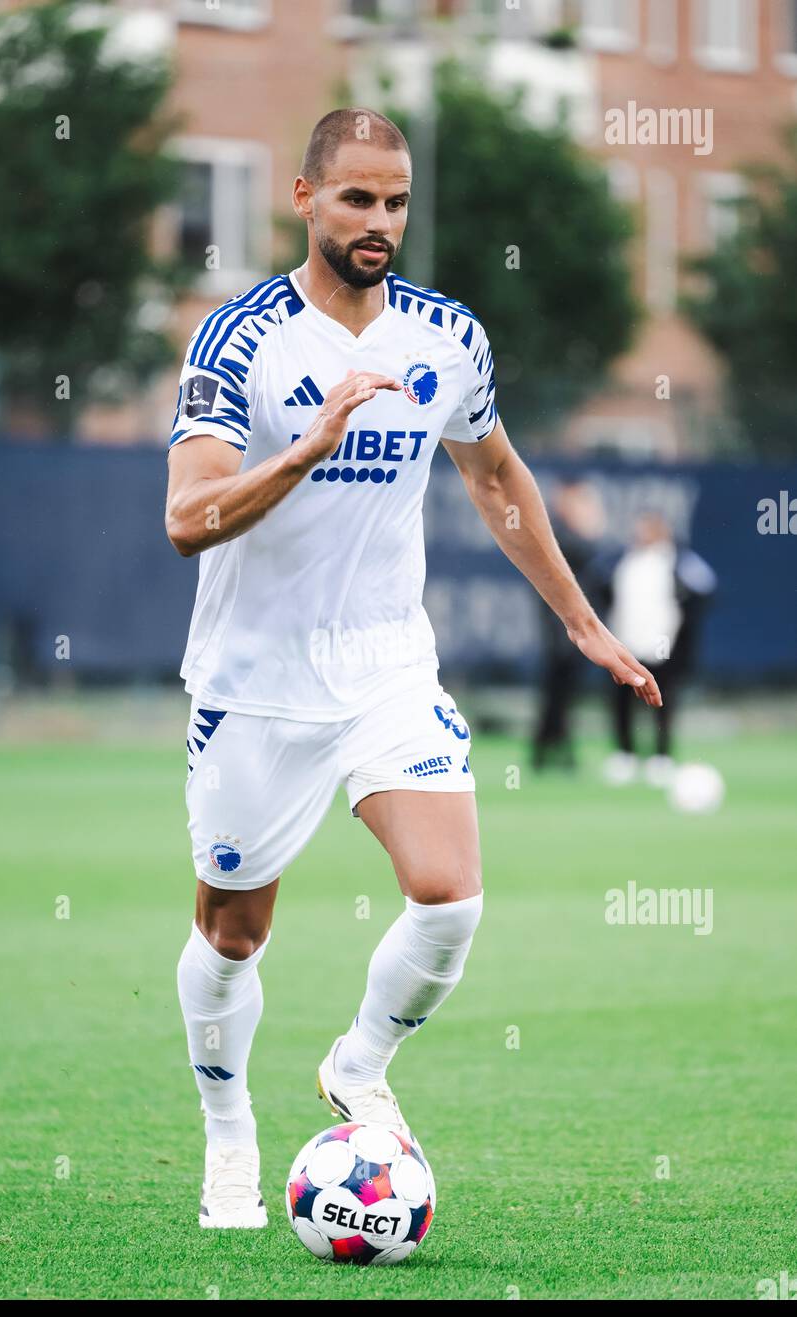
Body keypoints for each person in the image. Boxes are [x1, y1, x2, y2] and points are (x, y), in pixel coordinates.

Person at [164, 108, 662, 1230]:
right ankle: (229, 1136)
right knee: (233, 933)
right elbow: (187, 520)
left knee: (449, 898)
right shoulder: (237, 340)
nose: (378, 220)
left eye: (393, 202)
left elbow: (495, 480)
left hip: (387, 666)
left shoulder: (446, 337)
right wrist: (306, 447)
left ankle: (358, 1061)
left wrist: (581, 624)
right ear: (304, 199)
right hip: (254, 681)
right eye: (355, 198)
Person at [603, 512, 716, 786]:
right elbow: (600, 587)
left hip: (662, 646)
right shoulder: (624, 561)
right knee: (621, 702)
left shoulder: (678, 560)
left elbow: (706, 588)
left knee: (662, 701)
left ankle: (661, 756)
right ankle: (625, 754)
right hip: (626, 646)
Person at [531, 479, 606, 770]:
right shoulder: (559, 533)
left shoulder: (568, 534)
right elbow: (585, 554)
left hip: (572, 627)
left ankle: (553, 750)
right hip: (562, 628)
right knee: (557, 692)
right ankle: (550, 752)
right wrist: (591, 528)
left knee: (562, 692)